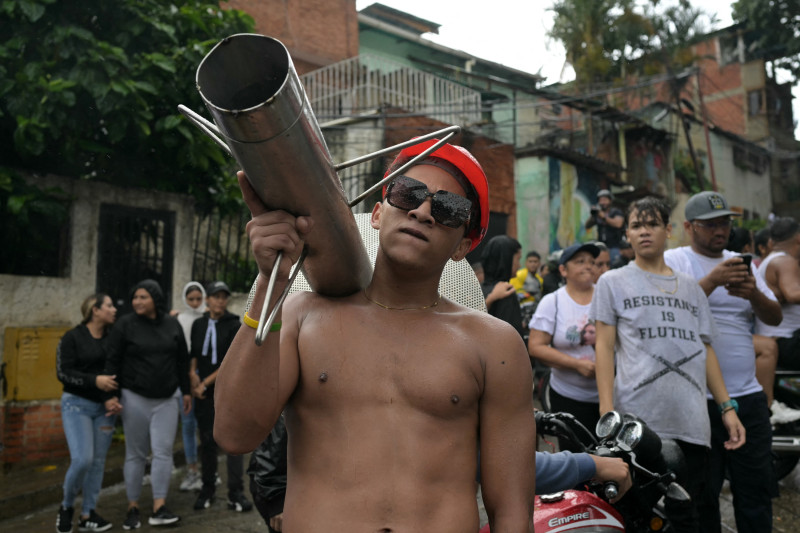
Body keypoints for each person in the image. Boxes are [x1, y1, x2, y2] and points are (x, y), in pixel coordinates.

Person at [214, 139, 537, 533]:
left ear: (464, 246)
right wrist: (271, 279)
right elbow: (233, 432)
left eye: (448, 209)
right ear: (378, 214)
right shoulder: (302, 317)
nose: (422, 212)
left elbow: (512, 511)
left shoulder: (495, 345)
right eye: (408, 193)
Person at [591, 196, 745, 533]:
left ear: (669, 231)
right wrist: (607, 412)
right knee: (643, 519)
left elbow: (705, 349)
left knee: (691, 516)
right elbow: (603, 347)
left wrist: (727, 407)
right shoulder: (612, 282)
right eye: (636, 226)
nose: (644, 232)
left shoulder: (691, 289)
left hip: (692, 422)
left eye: (652, 224)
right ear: (627, 235)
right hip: (638, 426)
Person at [664, 191, 781, 533]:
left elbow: (773, 318)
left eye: (725, 223)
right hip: (695, 400)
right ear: (689, 227)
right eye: (711, 224)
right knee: (702, 494)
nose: (721, 231)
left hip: (747, 397)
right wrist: (712, 281)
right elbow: (671, 312)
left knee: (756, 491)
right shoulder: (676, 260)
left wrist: (753, 294)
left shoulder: (742, 261)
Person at [104, 279, 191, 530]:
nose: (137, 302)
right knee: (136, 454)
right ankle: (132, 507)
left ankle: (159, 507)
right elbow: (113, 360)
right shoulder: (125, 325)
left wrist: (185, 392)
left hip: (167, 398)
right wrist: (112, 395)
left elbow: (182, 361)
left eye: (143, 297)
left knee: (163, 453)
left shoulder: (172, 324)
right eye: (135, 298)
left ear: (155, 299)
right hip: (134, 398)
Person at [55, 293, 119, 533]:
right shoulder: (72, 337)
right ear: (95, 310)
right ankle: (66, 507)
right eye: (109, 305)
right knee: (83, 459)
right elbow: (63, 373)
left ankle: (87, 514)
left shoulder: (112, 339)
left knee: (98, 463)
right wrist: (95, 381)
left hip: (105, 409)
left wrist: (113, 397)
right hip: (76, 405)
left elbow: (116, 371)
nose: (114, 309)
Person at [190, 280, 253, 513]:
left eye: (223, 297)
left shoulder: (234, 325)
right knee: (206, 442)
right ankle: (207, 489)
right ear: (207, 299)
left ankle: (235, 493)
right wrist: (192, 377)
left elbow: (231, 361)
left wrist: (205, 383)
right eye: (216, 296)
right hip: (202, 394)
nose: (220, 301)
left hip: (227, 393)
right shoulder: (198, 324)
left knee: (232, 444)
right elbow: (194, 354)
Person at [529, 243, 601, 433]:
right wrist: (577, 364)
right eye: (580, 262)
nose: (588, 266)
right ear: (563, 270)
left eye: (592, 262)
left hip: (611, 398)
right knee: (577, 458)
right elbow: (536, 346)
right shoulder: (553, 301)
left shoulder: (606, 296)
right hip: (568, 397)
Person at [754, 217, 800, 423]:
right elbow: (792, 293)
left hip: (781, 341)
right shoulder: (785, 260)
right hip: (787, 343)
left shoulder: (770, 260)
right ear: (798, 239)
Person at [174, 281, 205, 493]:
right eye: (190, 299)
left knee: (206, 425)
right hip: (184, 375)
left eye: (198, 299)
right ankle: (192, 468)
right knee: (187, 425)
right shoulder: (179, 319)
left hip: (205, 376)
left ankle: (208, 469)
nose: (194, 303)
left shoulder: (209, 317)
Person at [481, 235, 524, 338]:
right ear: (506, 260)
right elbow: (510, 337)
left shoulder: (478, 288)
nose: (519, 265)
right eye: (518, 259)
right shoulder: (506, 292)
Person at [510, 251, 544, 338]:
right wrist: (528, 295)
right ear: (526, 263)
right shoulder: (520, 274)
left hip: (533, 313)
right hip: (521, 313)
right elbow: (515, 291)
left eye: (535, 261)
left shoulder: (540, 280)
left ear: (539, 263)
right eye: (530, 261)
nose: (533, 264)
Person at [585, 189, 624, 262]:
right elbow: (587, 226)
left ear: (610, 201)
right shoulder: (598, 214)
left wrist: (603, 217)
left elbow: (618, 224)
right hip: (601, 247)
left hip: (614, 246)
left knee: (614, 265)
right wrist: (593, 216)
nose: (603, 202)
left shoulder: (616, 212)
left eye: (605, 200)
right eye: (601, 200)